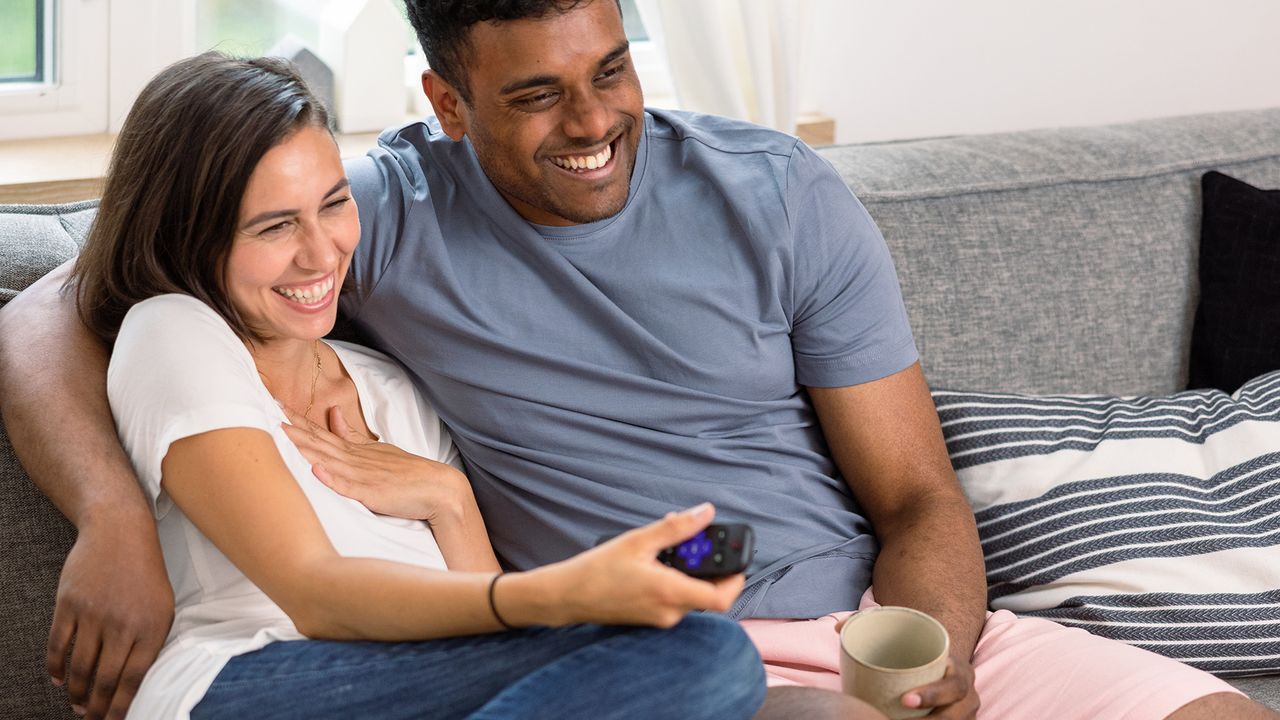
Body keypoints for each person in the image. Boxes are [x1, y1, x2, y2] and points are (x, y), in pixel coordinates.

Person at [0, 1, 1274, 719]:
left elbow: (915, 498)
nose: (597, 121)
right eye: (537, 95)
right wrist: (112, 514)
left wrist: (931, 641)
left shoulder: (775, 193)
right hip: (678, 641)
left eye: (610, 70)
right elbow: (70, 292)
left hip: (891, 625)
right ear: (445, 103)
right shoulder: (376, 213)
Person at [27, 51, 766, 720]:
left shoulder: (393, 388)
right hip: (246, 680)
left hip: (416, 688)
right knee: (711, 655)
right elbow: (315, 594)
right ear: (189, 235)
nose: (321, 254)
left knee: (698, 657)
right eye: (274, 227)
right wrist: (573, 590)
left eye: (334, 204)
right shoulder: (177, 332)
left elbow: (483, 632)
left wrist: (447, 500)